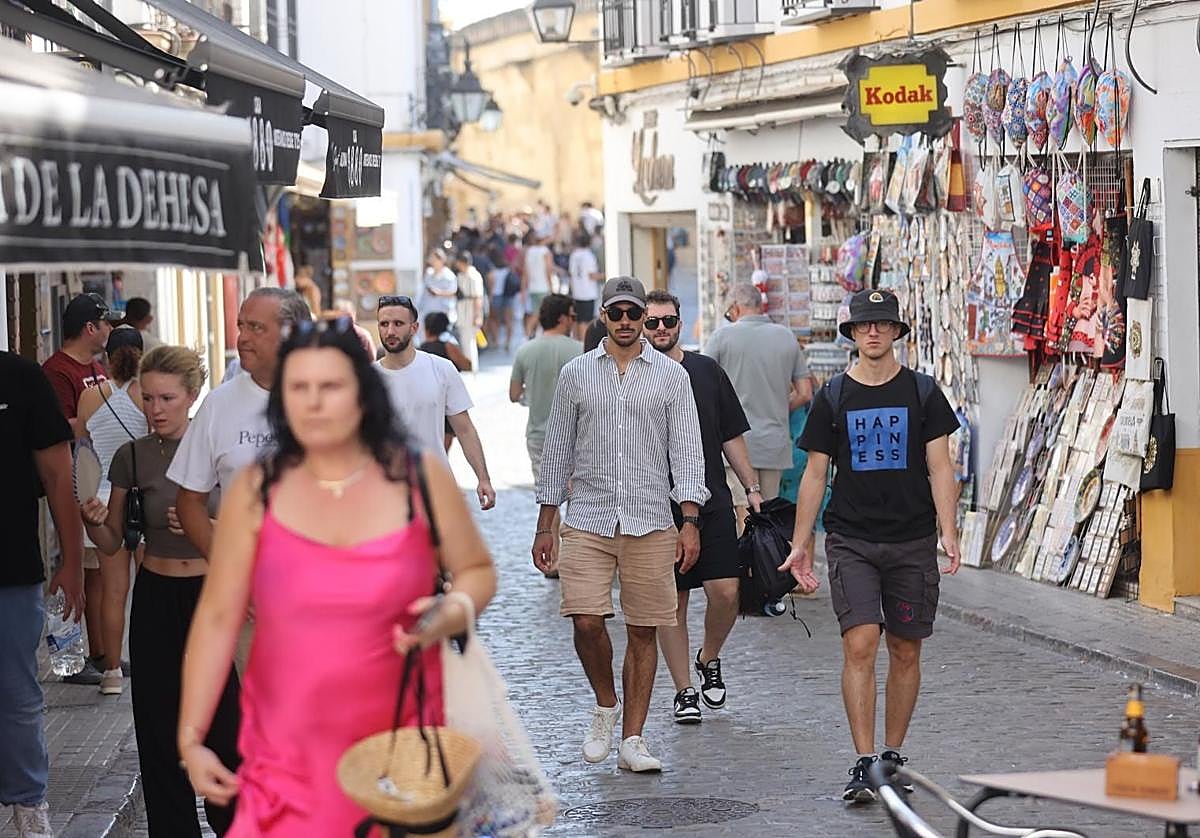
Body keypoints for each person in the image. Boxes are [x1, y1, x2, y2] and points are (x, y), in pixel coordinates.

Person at [177, 318, 497, 836]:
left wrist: (454, 609)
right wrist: (191, 738)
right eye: (299, 388)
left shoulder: (418, 476)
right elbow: (217, 617)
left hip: (399, 743)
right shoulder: (257, 490)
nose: (314, 402)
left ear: (363, 393)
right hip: (288, 748)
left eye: (331, 386)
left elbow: (477, 571)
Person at [779, 289, 962, 804]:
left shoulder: (924, 393)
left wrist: (948, 530)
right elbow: (815, 473)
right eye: (864, 326)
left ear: (898, 331)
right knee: (859, 644)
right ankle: (863, 763)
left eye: (882, 324)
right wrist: (802, 544)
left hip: (912, 540)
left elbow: (940, 465)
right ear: (853, 335)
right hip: (852, 539)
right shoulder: (833, 396)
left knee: (905, 648)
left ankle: (891, 756)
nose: (873, 332)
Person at [532, 276, 708, 773]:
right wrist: (546, 522)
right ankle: (606, 704)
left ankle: (634, 739)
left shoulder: (673, 377)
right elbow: (557, 450)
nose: (628, 323)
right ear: (604, 318)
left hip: (651, 517)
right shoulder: (576, 374)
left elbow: (688, 452)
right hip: (588, 516)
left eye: (636, 314)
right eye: (619, 314)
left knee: (644, 630)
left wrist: (689, 519)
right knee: (586, 620)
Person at [79, 346, 240, 836]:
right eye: (147, 398)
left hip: (211, 597)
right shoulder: (132, 456)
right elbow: (116, 543)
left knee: (225, 724)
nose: (156, 409)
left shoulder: (217, 449)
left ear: (192, 396)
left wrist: (207, 522)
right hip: (156, 595)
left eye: (167, 398)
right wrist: (96, 523)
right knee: (157, 724)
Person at [642, 291, 762, 725]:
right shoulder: (635, 375)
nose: (660, 329)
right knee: (670, 602)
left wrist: (751, 487)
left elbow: (731, 434)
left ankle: (708, 656)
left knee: (726, 592)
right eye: (651, 322)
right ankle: (684, 691)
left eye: (667, 322)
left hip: (710, 498)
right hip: (655, 506)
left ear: (680, 323)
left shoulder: (707, 371)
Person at [0, 351, 84, 838]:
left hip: (10, 571)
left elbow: (58, 476)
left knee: (16, 697)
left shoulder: (19, 378)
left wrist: (72, 563)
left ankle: (30, 810)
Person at [168, 287, 310, 558]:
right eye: (241, 326)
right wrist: (226, 566)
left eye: (256, 328)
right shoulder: (218, 404)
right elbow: (189, 501)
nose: (242, 338)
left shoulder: (335, 400)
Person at [42, 292, 122, 685]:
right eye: (107, 323)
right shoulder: (57, 372)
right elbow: (63, 430)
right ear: (91, 327)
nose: (110, 330)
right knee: (78, 570)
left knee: (101, 573)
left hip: (100, 481)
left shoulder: (95, 367)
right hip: (74, 482)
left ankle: (103, 653)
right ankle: (75, 657)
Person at [705, 282, 813, 531]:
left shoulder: (722, 337)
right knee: (768, 519)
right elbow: (805, 392)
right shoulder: (786, 336)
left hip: (734, 446)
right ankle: (767, 568)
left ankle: (745, 569)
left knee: (743, 518)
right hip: (774, 443)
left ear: (734, 308)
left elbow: (702, 384)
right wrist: (778, 407)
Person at [76, 326, 148, 695]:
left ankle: (111, 673)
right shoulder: (146, 397)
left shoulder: (90, 397)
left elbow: (83, 451)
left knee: (113, 591)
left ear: (107, 357)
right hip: (142, 498)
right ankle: (153, 659)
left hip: (103, 500)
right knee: (150, 587)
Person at [375, 295, 496, 510]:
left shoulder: (441, 369)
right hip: (384, 492)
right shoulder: (367, 379)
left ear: (414, 328)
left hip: (435, 486)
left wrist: (483, 477)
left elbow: (465, 429)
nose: (390, 331)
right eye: (384, 324)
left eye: (398, 324)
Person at [510, 294, 581, 578]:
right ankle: (579, 555)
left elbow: (514, 394)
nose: (575, 321)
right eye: (574, 316)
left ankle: (553, 561)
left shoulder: (526, 352)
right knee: (579, 495)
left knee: (548, 497)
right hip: (578, 434)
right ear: (563, 318)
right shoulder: (580, 350)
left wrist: (532, 396)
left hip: (540, 434)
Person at [452, 251, 486, 372]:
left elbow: (478, 297)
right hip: (462, 312)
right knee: (464, 341)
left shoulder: (474, 276)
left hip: (470, 313)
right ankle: (467, 365)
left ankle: (472, 367)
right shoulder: (460, 276)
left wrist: (477, 316)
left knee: (469, 341)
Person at [568, 232, 603, 342]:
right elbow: (592, 275)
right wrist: (607, 273)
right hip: (587, 292)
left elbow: (571, 272)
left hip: (576, 292)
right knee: (585, 321)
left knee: (577, 320)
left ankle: (578, 341)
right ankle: (584, 343)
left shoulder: (574, 255)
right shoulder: (589, 255)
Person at [487, 251, 521, 352]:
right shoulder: (508, 269)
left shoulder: (492, 271)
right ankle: (508, 342)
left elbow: (491, 285)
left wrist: (490, 297)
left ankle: (496, 340)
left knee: (494, 319)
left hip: (496, 296)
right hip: (508, 296)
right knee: (508, 320)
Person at [419, 248, 458, 334]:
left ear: (441, 260)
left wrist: (439, 293)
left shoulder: (449, 276)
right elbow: (423, 291)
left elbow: (454, 293)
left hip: (443, 311)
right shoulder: (429, 273)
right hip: (428, 310)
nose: (432, 262)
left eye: (434, 259)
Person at [522, 235, 554, 339]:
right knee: (542, 314)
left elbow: (525, 272)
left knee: (535, 313)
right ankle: (539, 335)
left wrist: (523, 288)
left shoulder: (529, 251)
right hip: (543, 287)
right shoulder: (545, 252)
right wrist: (551, 286)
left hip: (533, 287)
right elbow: (548, 270)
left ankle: (528, 335)